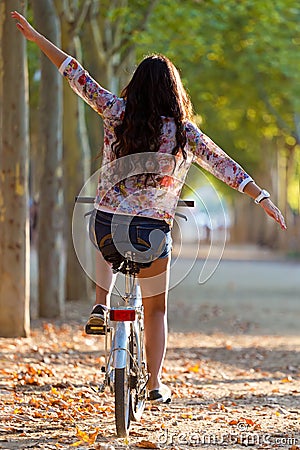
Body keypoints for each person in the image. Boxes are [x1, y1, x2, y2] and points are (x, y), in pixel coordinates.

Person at [12, 11, 286, 404]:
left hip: (108, 227)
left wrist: (38, 38)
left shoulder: (115, 112)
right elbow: (223, 164)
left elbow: (76, 73)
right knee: (155, 311)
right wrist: (260, 196)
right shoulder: (184, 133)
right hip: (153, 235)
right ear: (174, 92)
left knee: (102, 222)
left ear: (135, 87)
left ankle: (100, 303)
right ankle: (155, 383)